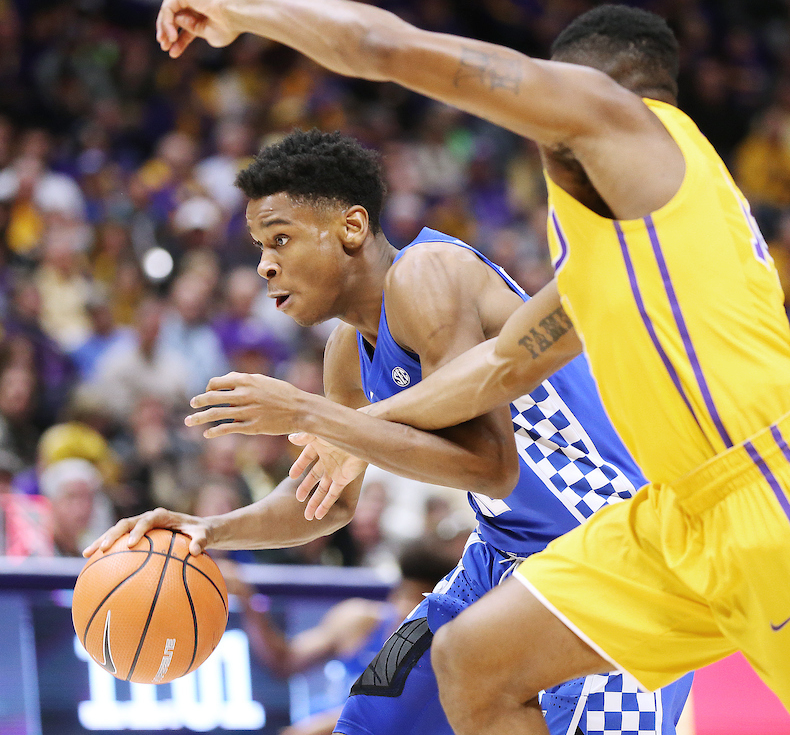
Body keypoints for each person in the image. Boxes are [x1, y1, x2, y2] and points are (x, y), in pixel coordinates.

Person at [152, 0, 790, 734]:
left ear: (605, 87)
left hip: (785, 494)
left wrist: (242, 7)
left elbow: (387, 49)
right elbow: (500, 369)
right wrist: (335, 428)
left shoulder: (619, 123)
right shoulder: (615, 247)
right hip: (668, 524)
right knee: (470, 663)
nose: (543, 123)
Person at [90, 130, 692, 735]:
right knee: (373, 722)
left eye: (281, 238)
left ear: (352, 227)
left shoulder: (427, 274)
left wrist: (310, 415)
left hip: (611, 546)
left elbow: (490, 465)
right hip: (503, 556)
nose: (265, 263)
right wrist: (210, 530)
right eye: (258, 246)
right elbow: (327, 501)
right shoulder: (347, 352)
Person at [228, 542, 457, 735]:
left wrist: (304, 731)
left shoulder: (442, 651)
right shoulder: (358, 620)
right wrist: (248, 599)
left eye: (419, 604)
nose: (406, 610)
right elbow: (283, 661)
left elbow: (375, 714)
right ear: (394, 594)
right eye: (404, 597)